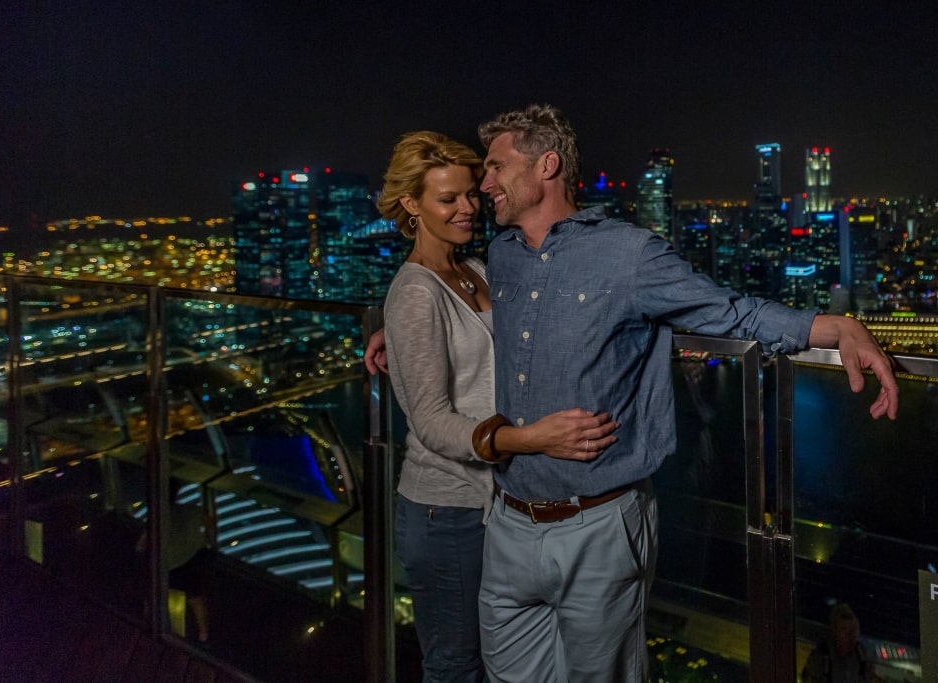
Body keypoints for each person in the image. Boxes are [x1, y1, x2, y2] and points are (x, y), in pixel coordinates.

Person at [367, 105, 898, 682]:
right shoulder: (504, 256)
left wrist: (832, 326)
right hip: (507, 523)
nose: (482, 187)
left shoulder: (624, 255)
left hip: (595, 524)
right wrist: (398, 329)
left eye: (494, 168)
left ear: (547, 165)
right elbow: (436, 306)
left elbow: (727, 312)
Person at [376, 131, 619, 683]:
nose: (467, 208)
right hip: (446, 514)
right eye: (448, 199)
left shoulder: (478, 270)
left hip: (492, 507)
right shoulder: (416, 294)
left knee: (500, 664)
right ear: (411, 205)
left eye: (470, 194)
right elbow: (433, 425)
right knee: (456, 669)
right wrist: (533, 438)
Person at [136, 478, 212, 645]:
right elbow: (209, 522)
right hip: (189, 562)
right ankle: (203, 634)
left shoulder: (157, 516)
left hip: (164, 565)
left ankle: (148, 625)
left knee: (150, 594)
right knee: (195, 597)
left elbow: (142, 545)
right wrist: (205, 539)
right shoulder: (191, 511)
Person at [801, 603, 884, 682]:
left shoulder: (861, 654)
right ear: (834, 631)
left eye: (854, 630)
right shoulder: (821, 657)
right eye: (844, 629)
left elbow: (870, 676)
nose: (851, 635)